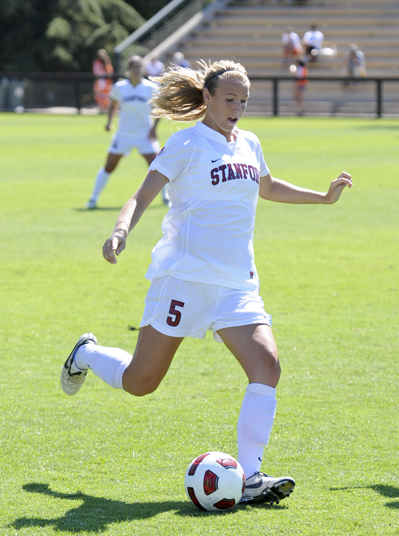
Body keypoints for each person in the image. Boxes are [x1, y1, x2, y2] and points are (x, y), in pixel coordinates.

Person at [63, 59, 352, 505]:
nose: (238, 107)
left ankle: (251, 476)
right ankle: (87, 353)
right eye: (230, 99)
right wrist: (121, 230)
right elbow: (141, 196)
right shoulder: (186, 144)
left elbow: (268, 187)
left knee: (267, 366)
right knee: (141, 382)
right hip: (183, 282)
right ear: (208, 99)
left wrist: (323, 196)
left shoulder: (250, 143)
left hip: (236, 285)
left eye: (244, 100)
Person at [87, 55, 170, 210]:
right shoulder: (120, 87)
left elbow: (160, 110)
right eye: (134, 67)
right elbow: (113, 105)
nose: (137, 70)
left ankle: (165, 197)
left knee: (158, 166)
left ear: (143, 69)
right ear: (129, 69)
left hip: (144, 134)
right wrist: (109, 122)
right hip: (123, 134)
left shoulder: (151, 87)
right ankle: (93, 199)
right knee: (109, 166)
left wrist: (153, 129)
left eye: (139, 67)